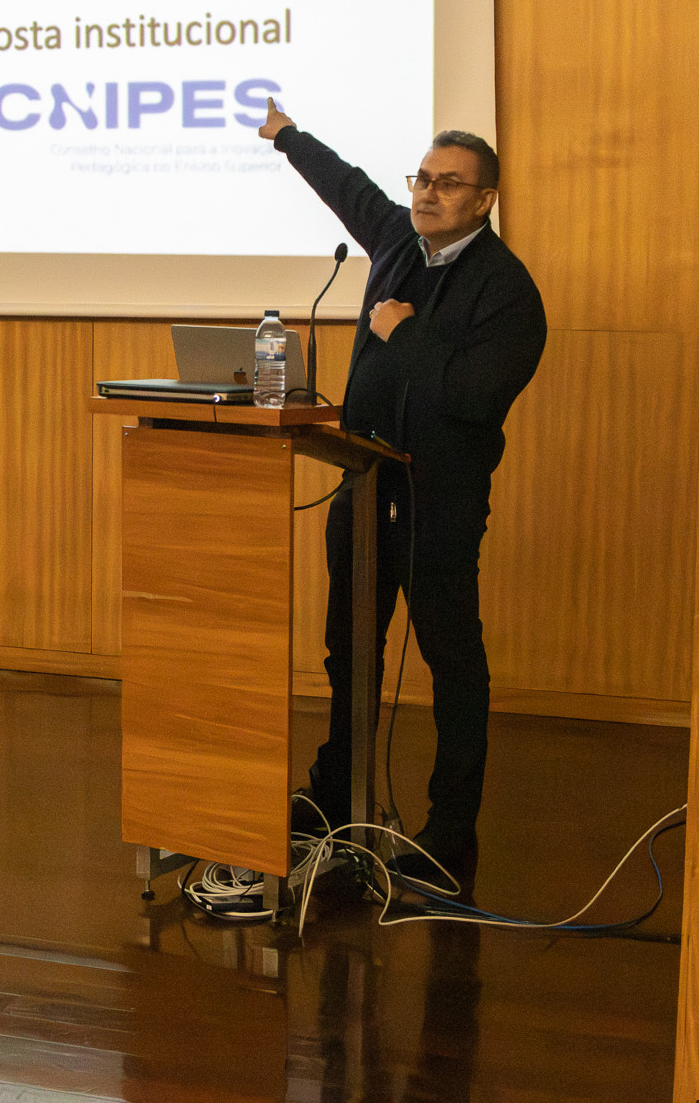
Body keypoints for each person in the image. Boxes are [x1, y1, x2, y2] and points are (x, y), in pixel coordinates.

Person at [258, 97, 547, 880]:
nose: (427, 193)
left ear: (484, 200)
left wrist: (403, 331)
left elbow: (473, 396)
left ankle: (449, 828)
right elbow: (346, 185)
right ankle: (333, 794)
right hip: (361, 484)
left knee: (452, 662)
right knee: (349, 650)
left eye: (448, 183)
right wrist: (288, 136)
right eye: (421, 178)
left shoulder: (507, 291)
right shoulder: (394, 239)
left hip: (439, 503)